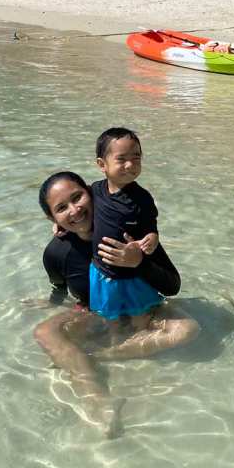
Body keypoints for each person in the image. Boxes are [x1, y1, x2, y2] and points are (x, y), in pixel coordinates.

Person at [34, 170, 198, 428]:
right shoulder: (56, 253)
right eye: (62, 208)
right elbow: (59, 287)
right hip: (94, 313)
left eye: (78, 197)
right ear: (51, 218)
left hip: (146, 310)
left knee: (188, 329)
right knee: (45, 331)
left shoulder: (127, 230)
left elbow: (172, 286)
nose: (75, 210)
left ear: (90, 192)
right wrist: (53, 302)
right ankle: (97, 399)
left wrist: (139, 262)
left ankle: (94, 356)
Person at [90, 127, 175, 334]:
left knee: (140, 316)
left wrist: (152, 237)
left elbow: (150, 224)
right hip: (103, 272)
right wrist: (58, 224)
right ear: (102, 165)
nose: (130, 165)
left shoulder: (142, 198)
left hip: (133, 275)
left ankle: (142, 344)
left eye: (136, 158)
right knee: (110, 320)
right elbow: (80, 210)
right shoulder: (95, 190)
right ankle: (114, 343)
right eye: (121, 159)